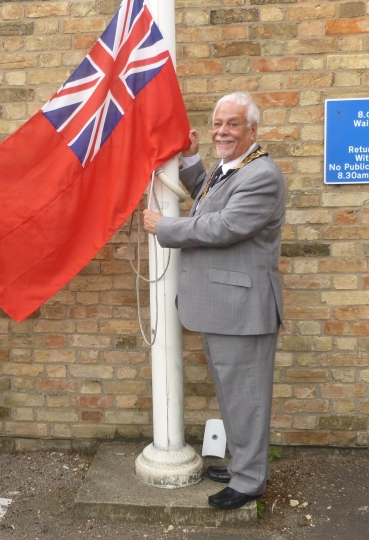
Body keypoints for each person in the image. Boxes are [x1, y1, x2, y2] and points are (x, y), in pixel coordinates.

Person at [142, 92, 285, 510]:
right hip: (224, 305)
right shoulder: (232, 169)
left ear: (253, 130)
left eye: (233, 124)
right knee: (233, 393)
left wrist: (165, 226)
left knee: (247, 397)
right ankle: (245, 464)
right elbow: (207, 195)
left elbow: (223, 225)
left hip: (243, 308)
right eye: (218, 123)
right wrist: (189, 160)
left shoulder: (262, 175)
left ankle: (249, 481)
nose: (222, 131)